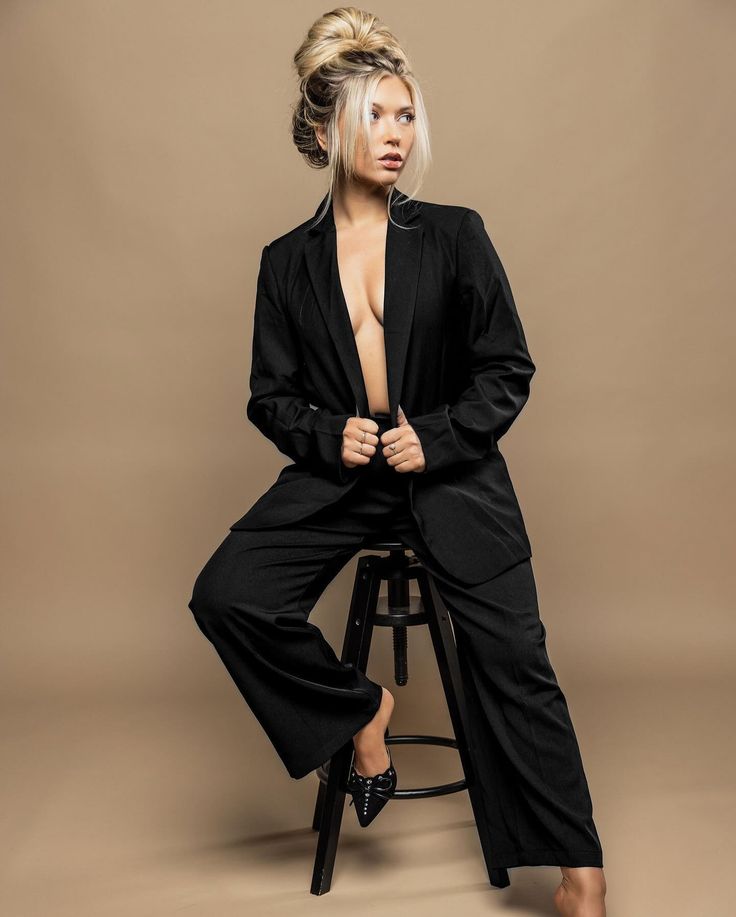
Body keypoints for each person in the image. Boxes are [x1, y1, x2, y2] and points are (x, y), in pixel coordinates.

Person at [187, 7, 607, 914]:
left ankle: (579, 872)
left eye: (406, 116)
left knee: (516, 660)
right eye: (376, 115)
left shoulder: (454, 234)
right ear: (322, 128)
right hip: (344, 480)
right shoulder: (284, 263)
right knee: (227, 593)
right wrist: (321, 432)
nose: (395, 136)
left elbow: (508, 368)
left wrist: (443, 434)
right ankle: (360, 713)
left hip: (453, 481)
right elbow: (270, 394)